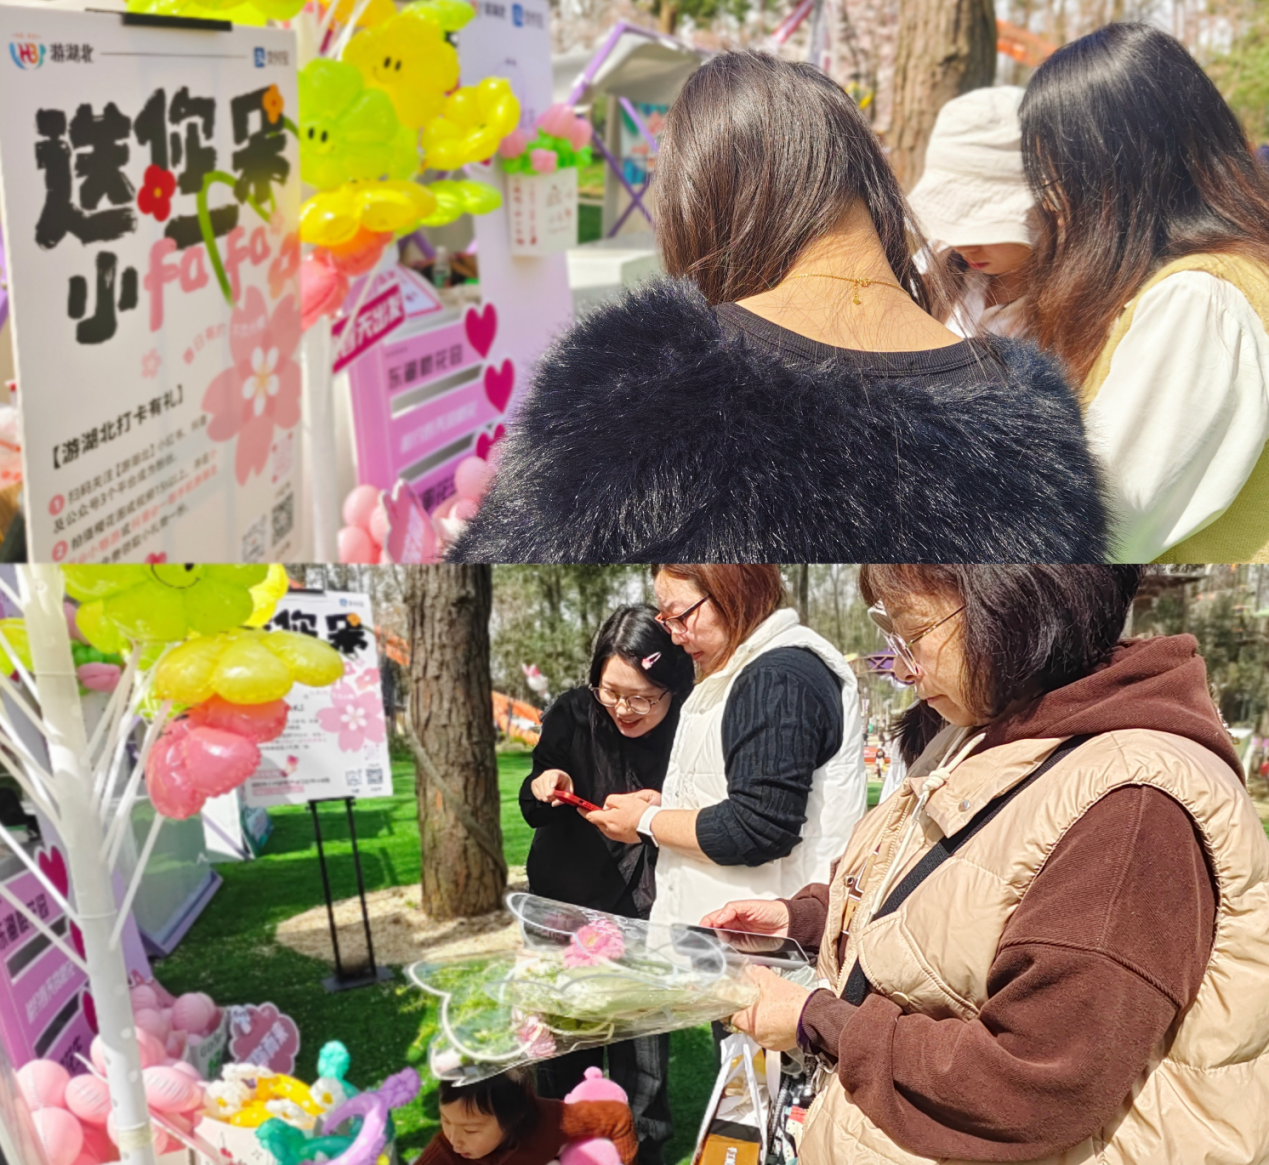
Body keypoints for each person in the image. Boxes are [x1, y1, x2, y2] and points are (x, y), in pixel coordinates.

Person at [703, 564, 1269, 1165]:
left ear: (1016, 607)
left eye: (915, 636)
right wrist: (810, 920)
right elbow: (942, 893)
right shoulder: (991, 730)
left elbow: (1032, 1083)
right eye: (892, 638)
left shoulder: (1133, 808)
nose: (903, 670)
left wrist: (818, 1021)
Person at [448, 52, 1107, 564]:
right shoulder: (1037, 412)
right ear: (869, 181)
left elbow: (508, 546)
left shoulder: (634, 373)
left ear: (700, 202)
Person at [1021, 23, 1269, 562]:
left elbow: (1101, 520)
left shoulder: (1199, 300)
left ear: (1113, 175)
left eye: (1057, 179)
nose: (1051, 206)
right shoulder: (1230, 272)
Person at [582, 565, 868, 938]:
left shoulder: (776, 678)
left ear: (732, 590)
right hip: (722, 940)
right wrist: (670, 807)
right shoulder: (744, 671)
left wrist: (647, 821)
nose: (676, 636)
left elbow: (758, 827)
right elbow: (747, 795)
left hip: (758, 947)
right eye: (667, 620)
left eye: (681, 616)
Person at [519, 606, 694, 1165]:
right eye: (611, 692)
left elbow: (706, 812)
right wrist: (547, 782)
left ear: (672, 688)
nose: (622, 709)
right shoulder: (572, 711)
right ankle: (567, 1146)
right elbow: (533, 800)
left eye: (642, 698)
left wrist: (663, 809)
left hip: (645, 906)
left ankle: (642, 1149)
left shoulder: (691, 723)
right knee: (565, 1044)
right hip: (564, 906)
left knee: (644, 1055)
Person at [908, 86, 1032, 338]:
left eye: (983, 226)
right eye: (953, 218)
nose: (964, 245)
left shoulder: (1077, 309)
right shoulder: (937, 259)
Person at [417, 1068, 637, 1165]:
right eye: (446, 1121)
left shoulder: (553, 1121)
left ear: (513, 1118)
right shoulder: (444, 1153)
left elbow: (618, 1117)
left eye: (470, 1130)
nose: (454, 1140)